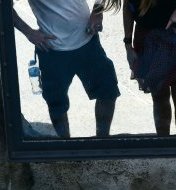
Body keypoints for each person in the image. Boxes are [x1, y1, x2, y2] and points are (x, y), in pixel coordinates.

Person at [13, 0, 121, 137]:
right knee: (56, 102)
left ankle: (103, 140)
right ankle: (65, 144)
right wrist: (29, 32)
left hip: (88, 41)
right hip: (53, 50)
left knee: (107, 89)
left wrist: (97, 11)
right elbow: (1, 7)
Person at [123, 0, 176, 135]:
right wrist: (127, 43)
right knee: (159, 98)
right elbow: (127, 6)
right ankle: (164, 144)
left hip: (175, 34)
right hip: (146, 40)